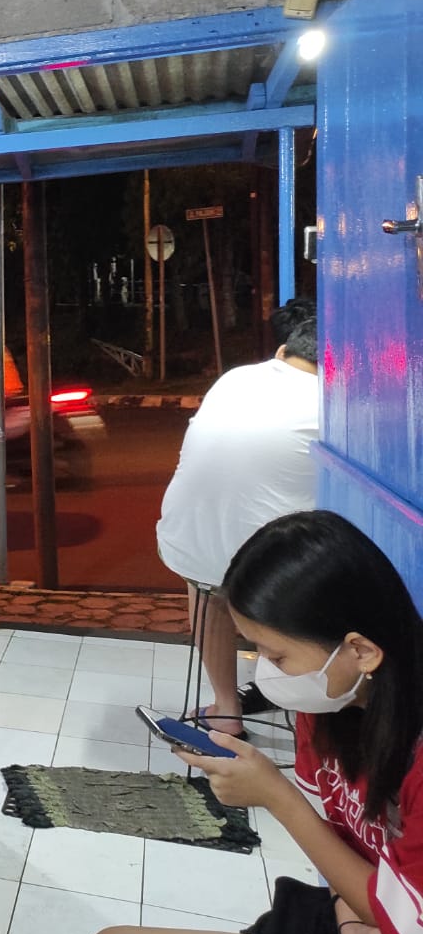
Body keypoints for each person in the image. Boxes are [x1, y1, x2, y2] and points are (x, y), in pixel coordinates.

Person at [88, 509, 423, 934]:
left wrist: (276, 796)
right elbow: (348, 845)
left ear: (360, 651)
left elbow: (409, 927)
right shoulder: (328, 706)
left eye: (278, 657)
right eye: (257, 651)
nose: (266, 674)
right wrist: (346, 918)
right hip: (371, 920)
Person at [155, 307, 319, 736]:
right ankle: (312, 713)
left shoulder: (236, 378)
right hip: (269, 569)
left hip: (187, 542)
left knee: (208, 589)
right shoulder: (334, 403)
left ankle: (226, 709)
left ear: (282, 352)